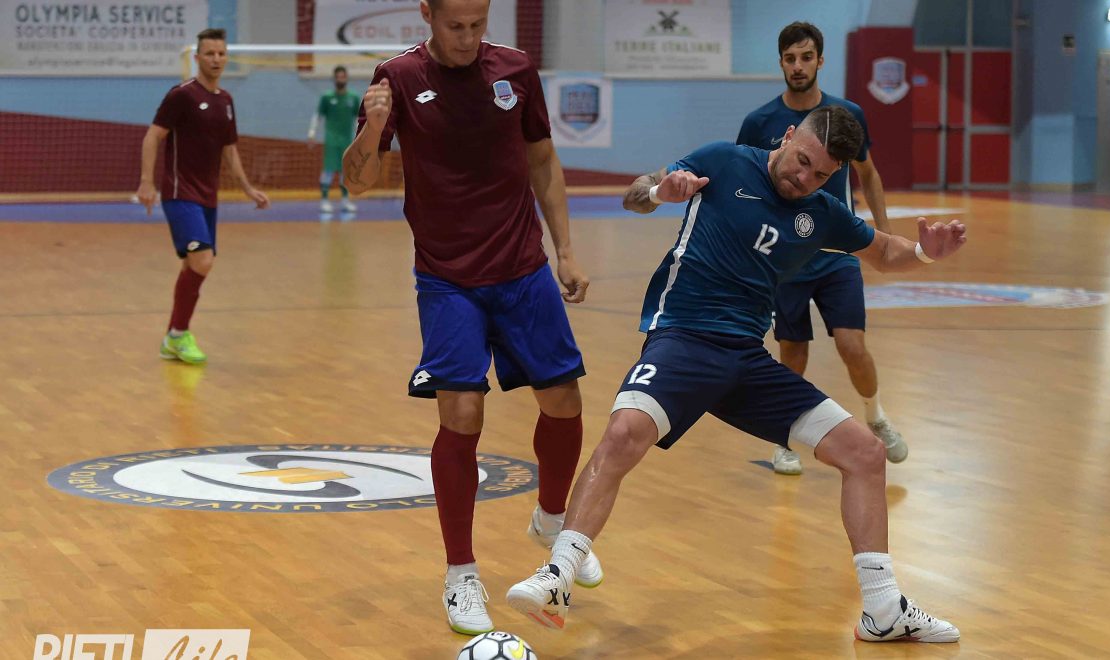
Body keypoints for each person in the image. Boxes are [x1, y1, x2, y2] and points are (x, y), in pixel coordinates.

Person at [507, 106, 964, 643]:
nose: (805, 178)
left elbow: (883, 252)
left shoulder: (821, 212)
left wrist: (925, 254)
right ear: (788, 136)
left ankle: (883, 609)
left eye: (820, 174)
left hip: (746, 360)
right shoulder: (723, 161)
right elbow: (635, 195)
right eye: (802, 161)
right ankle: (559, 575)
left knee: (864, 453)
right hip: (683, 340)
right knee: (625, 432)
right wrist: (661, 192)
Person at [341, 0, 602, 636]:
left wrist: (565, 250)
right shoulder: (397, 77)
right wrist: (373, 129)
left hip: (522, 268)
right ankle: (460, 574)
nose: (466, 38)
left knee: (564, 401)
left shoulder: (515, 70)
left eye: (477, 25)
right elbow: (357, 182)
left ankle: (551, 518)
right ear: (427, 14)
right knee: (461, 413)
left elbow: (542, 160)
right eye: (454, 26)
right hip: (447, 279)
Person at [737, 22, 904, 475]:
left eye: (806, 57)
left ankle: (876, 415)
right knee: (792, 352)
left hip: (836, 257)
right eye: (790, 58)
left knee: (852, 345)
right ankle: (783, 439)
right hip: (785, 259)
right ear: (780, 63)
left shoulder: (847, 114)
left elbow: (868, 173)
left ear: (820, 61)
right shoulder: (759, 122)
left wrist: (885, 235)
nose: (798, 66)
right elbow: (744, 182)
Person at [136, 28, 269, 364]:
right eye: (209, 53)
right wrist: (146, 182)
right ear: (197, 58)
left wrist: (247, 188)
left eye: (221, 53)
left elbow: (229, 149)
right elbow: (153, 137)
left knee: (192, 265)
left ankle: (172, 337)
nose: (216, 59)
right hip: (180, 192)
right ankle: (178, 335)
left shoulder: (226, 101)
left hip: (208, 197)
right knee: (203, 261)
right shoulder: (181, 95)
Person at [308, 65, 360, 216]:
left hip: (347, 141)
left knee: (346, 172)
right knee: (328, 171)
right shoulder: (327, 97)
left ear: (346, 78)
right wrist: (311, 133)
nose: (340, 79)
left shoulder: (353, 98)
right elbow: (318, 116)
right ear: (334, 79)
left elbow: (359, 119)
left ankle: (345, 201)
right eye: (338, 77)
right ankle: (324, 201)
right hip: (331, 141)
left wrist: (361, 137)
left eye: (343, 76)